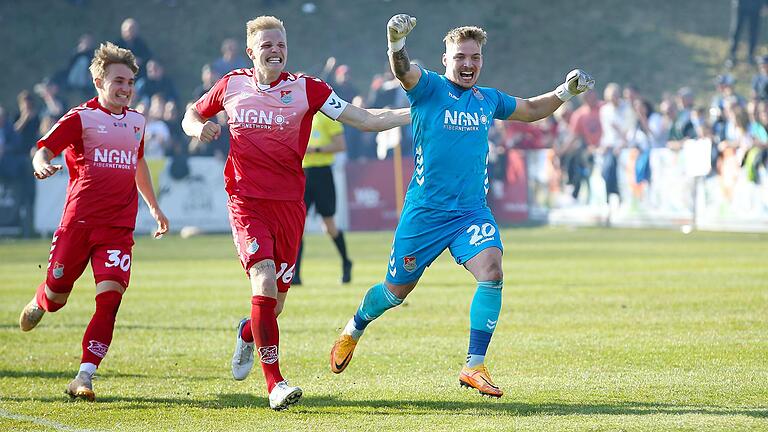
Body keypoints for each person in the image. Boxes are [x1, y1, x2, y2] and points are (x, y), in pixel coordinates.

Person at [329, 14, 593, 399]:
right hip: (425, 214)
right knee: (394, 293)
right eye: (460, 57)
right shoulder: (429, 88)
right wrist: (395, 43)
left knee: (492, 269)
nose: (468, 64)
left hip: (471, 213)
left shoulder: (488, 99)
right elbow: (403, 71)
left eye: (475, 57)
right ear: (445, 59)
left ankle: (474, 365)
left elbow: (534, 109)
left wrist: (566, 91)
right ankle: (354, 328)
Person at [181, 15, 409, 410]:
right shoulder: (231, 84)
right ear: (251, 51)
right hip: (245, 200)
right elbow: (192, 113)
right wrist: (195, 129)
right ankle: (276, 384)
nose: (276, 50)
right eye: (267, 45)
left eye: (281, 44)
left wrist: (418, 113)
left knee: (276, 304)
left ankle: (247, 332)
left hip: (289, 206)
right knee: (264, 283)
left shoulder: (308, 89)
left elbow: (365, 119)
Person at [18, 42, 169, 401]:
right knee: (57, 297)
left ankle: (84, 375)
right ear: (99, 81)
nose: (127, 88)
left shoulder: (137, 121)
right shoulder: (80, 118)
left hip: (118, 229)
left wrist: (153, 206)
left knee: (110, 299)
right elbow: (44, 149)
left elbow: (138, 162)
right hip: (79, 224)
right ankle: (41, 300)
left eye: (131, 82)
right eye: (119, 81)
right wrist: (41, 164)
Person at [292, 112, 352, 286]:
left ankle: (346, 262)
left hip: (322, 173)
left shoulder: (326, 116)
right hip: (301, 174)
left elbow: (341, 145)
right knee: (297, 226)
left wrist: (315, 149)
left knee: (329, 226)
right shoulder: (298, 114)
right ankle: (295, 274)